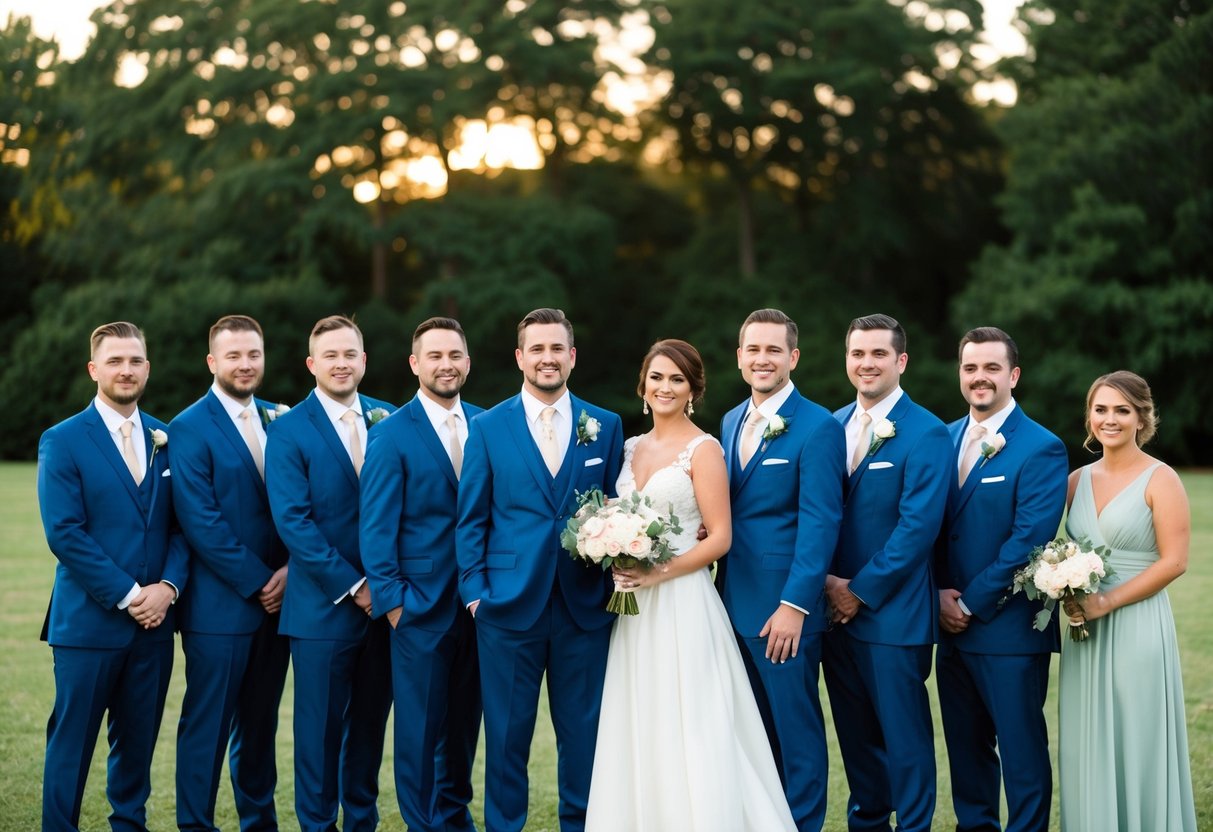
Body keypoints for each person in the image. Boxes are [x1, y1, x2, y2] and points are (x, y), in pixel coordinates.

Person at [586, 338, 796, 832]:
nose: (665, 387)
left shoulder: (704, 449)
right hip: (634, 610)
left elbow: (720, 537)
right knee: (643, 717)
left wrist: (657, 571)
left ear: (693, 390)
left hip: (682, 602)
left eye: (677, 379)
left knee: (694, 718)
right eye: (657, 377)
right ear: (643, 385)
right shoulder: (631, 447)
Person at [456, 307, 623, 832]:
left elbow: (621, 507)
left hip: (585, 608)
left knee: (584, 736)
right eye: (537, 348)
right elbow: (470, 520)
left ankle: (582, 824)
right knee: (506, 738)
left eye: (557, 348)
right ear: (519, 357)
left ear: (571, 356)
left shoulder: (606, 425)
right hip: (506, 607)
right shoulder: (486, 427)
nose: (547, 358)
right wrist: (476, 593)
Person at [37, 321, 187, 832]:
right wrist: (129, 595)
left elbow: (183, 528)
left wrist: (167, 589)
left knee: (138, 743)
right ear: (94, 369)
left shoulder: (166, 437)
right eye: (116, 361)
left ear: (147, 367)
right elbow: (65, 533)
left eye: (136, 361)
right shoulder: (62, 440)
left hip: (155, 626)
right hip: (88, 625)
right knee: (72, 743)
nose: (127, 371)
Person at [935, 327, 1068, 832]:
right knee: (967, 757)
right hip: (949, 631)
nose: (980, 377)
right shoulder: (942, 439)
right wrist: (937, 598)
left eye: (992, 368)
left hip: (1008, 631)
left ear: (1013, 375)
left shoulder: (1042, 447)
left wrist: (967, 604)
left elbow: (1027, 542)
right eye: (970, 367)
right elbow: (928, 530)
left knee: (1021, 756)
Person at [265, 315, 395, 832]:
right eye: (331, 356)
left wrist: (383, 588)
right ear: (311, 364)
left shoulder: (388, 417)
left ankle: (361, 823)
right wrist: (355, 586)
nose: (342, 364)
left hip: (386, 607)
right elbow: (294, 523)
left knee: (368, 732)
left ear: (364, 360)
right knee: (318, 737)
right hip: (322, 611)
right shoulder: (290, 429)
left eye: (350, 354)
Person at [717, 309, 845, 832]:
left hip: (783, 611)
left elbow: (820, 523)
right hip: (728, 604)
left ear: (793, 357)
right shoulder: (728, 421)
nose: (762, 359)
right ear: (740, 357)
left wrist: (794, 606)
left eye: (774, 350)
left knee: (796, 733)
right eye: (753, 349)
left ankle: (804, 824)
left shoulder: (818, 426)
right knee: (750, 732)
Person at [823, 313, 950, 832]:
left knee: (905, 738)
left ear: (901, 361)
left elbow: (918, 528)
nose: (866, 363)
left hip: (894, 614)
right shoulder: (829, 426)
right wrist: (829, 585)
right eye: (858, 353)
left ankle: (916, 827)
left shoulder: (928, 432)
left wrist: (861, 591)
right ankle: (868, 823)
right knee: (855, 739)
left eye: (878, 354)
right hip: (831, 610)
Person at [170, 314, 292, 831]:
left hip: (282, 604)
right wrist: (262, 581)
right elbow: (201, 522)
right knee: (208, 727)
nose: (245, 365)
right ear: (212, 361)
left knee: (260, 727)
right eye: (234, 356)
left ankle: (258, 822)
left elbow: (296, 506)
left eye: (253, 355)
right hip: (219, 610)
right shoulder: (187, 427)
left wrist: (290, 571)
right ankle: (196, 825)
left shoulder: (280, 419)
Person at [1060, 370, 1196, 831]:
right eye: (1101, 409)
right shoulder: (1075, 481)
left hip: (1138, 627)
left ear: (1143, 418)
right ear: (1089, 417)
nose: (1110, 419)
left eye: (1123, 410)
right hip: (1087, 634)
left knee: (1138, 738)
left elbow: (1174, 561)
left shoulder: (1162, 478)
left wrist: (1107, 601)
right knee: (1088, 741)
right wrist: (1064, 587)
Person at [361, 317, 482, 832]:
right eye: (434, 356)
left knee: (463, 727)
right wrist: (393, 603)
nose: (445, 365)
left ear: (468, 362)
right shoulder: (390, 434)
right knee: (419, 728)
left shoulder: (489, 424)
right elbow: (376, 525)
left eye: (454, 355)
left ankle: (455, 819)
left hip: (479, 606)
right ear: (415, 364)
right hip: (417, 607)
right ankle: (423, 823)